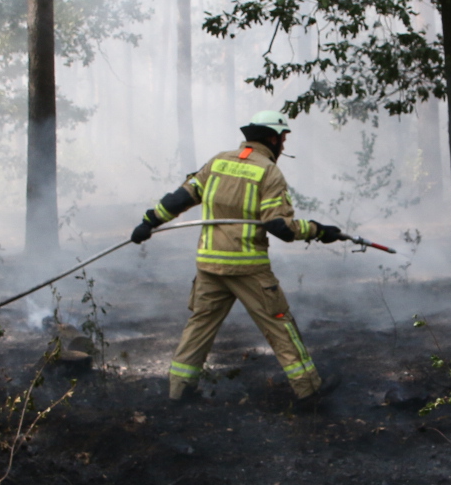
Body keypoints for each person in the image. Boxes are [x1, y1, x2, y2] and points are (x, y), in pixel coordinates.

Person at [132, 110, 346, 401]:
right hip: (248, 269)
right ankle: (309, 392)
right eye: (282, 138)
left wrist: (148, 222)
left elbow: (180, 198)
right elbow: (279, 226)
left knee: (199, 326)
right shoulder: (268, 172)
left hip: (210, 265)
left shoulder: (217, 162)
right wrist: (319, 230)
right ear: (271, 138)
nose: (283, 145)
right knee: (280, 323)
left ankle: (179, 392)